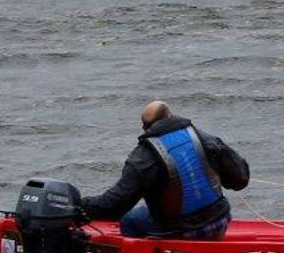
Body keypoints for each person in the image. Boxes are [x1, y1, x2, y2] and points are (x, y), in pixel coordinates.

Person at [82, 101, 250, 239]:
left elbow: (114, 207)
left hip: (180, 232)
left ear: (145, 128)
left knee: (130, 219)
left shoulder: (142, 158)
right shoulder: (205, 139)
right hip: (219, 223)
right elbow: (241, 179)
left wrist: (81, 205)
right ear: (171, 115)